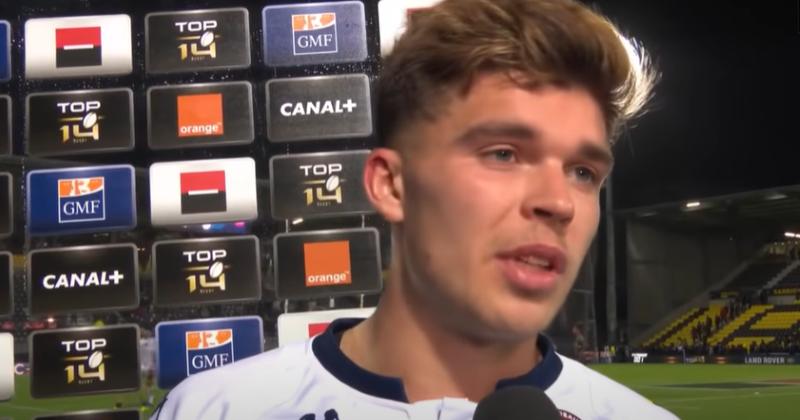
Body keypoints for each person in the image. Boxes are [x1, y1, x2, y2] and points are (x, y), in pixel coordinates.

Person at [153, 0, 676, 418]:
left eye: (583, 172)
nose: (558, 202)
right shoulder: (213, 409)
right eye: (504, 154)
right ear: (391, 185)